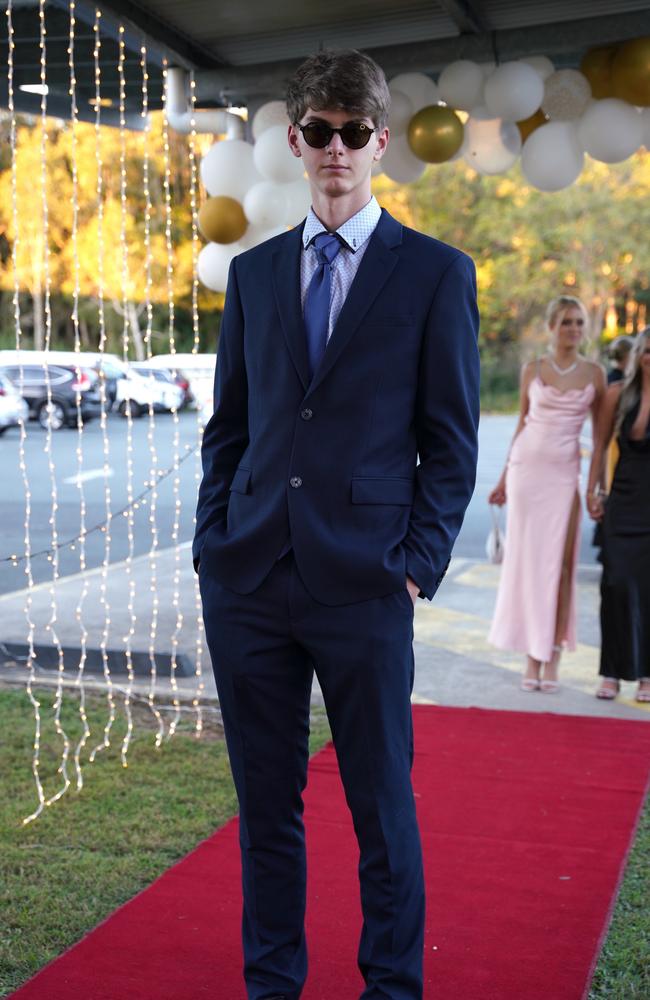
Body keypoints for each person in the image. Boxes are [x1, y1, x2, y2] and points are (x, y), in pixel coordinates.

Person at [193, 49, 480, 1000]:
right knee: (265, 811)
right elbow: (229, 427)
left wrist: (416, 564)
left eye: (355, 134)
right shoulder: (256, 275)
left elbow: (450, 442)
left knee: (381, 807)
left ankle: (390, 989)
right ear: (296, 140)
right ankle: (272, 986)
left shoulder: (437, 275)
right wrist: (212, 545)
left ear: (382, 144)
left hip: (366, 582)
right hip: (249, 580)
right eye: (319, 131)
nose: (336, 149)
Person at [488, 295, 606, 692]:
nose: (574, 329)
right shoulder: (532, 369)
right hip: (526, 474)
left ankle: (551, 652)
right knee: (526, 566)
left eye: (579, 322)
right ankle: (530, 656)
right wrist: (504, 478)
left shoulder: (595, 374)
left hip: (564, 477)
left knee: (561, 566)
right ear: (552, 327)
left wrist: (593, 489)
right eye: (567, 322)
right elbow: (521, 423)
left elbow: (602, 442)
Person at [586, 328, 650, 703]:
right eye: (647, 351)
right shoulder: (617, 394)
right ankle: (611, 671)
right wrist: (594, 489)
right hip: (622, 502)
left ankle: (645, 674)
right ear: (638, 354)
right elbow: (598, 446)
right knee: (614, 585)